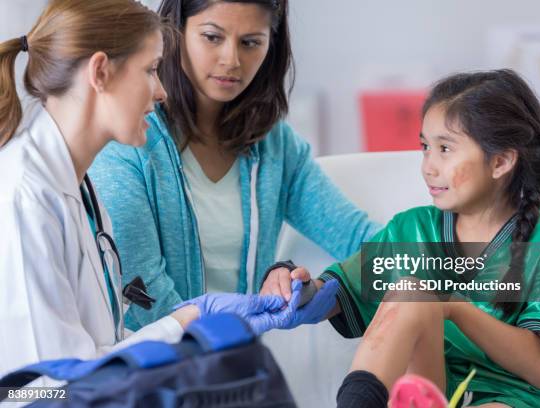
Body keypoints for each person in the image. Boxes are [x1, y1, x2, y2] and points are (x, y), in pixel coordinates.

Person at [0, 0, 314, 378]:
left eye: (251, 42)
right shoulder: (25, 198)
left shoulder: (78, 189)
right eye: (150, 70)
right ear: (100, 71)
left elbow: (104, 349)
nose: (161, 90)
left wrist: (193, 317)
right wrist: (193, 324)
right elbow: (43, 388)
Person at [288, 70, 540, 408]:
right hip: (431, 392)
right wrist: (297, 287)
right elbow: (337, 293)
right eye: (425, 147)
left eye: (444, 148)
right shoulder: (411, 230)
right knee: (411, 294)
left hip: (516, 398)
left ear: (500, 161)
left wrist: (454, 307)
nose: (428, 165)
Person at [89, 0, 380, 331]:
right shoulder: (129, 138)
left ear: (272, 45)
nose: (231, 60)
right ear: (175, 32)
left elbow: (363, 239)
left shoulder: (276, 146)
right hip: (155, 369)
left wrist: (313, 289)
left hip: (236, 365)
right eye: (212, 37)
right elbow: (143, 294)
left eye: (250, 42)